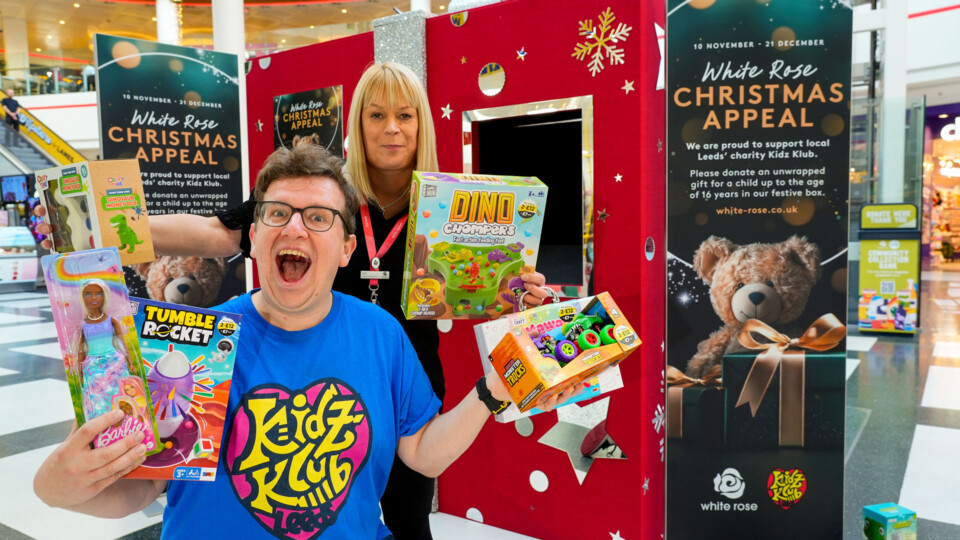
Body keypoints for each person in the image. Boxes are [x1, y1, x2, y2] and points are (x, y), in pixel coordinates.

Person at [35, 61, 551, 540]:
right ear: (253, 236)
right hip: (286, 359)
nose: (392, 128)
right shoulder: (202, 343)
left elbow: (425, 451)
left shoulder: (442, 222)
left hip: (388, 380)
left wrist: (512, 329)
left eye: (405, 115)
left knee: (400, 512)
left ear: (345, 246)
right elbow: (143, 485)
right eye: (376, 114)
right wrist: (105, 232)